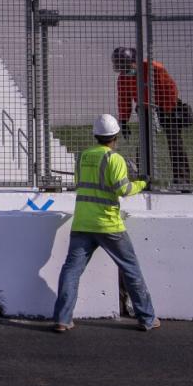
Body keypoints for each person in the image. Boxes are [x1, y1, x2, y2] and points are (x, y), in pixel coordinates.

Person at [51, 113, 159, 333]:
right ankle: (147, 318)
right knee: (131, 270)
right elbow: (123, 189)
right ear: (115, 136)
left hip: (82, 222)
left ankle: (62, 319)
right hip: (109, 225)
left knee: (71, 270)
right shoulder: (114, 159)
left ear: (96, 135)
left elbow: (80, 183)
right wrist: (142, 183)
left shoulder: (82, 156)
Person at [112, 46, 191, 185]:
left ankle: (182, 179)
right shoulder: (123, 78)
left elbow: (170, 89)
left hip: (168, 107)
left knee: (175, 142)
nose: (125, 71)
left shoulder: (154, 69)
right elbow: (123, 99)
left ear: (135, 61)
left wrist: (165, 110)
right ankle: (145, 178)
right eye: (121, 68)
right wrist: (123, 121)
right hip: (145, 109)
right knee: (144, 144)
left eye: (126, 66)